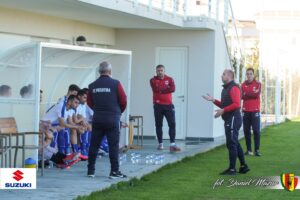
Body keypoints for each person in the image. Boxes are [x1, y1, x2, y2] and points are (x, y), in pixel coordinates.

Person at [202, 69, 250, 175]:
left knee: (231, 143)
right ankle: (243, 166)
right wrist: (213, 100)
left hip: (234, 118)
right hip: (229, 119)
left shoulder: (233, 88)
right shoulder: (226, 89)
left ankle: (232, 169)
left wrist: (223, 111)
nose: (221, 76)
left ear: (229, 76)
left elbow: (237, 104)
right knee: (234, 142)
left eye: (223, 74)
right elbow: (225, 104)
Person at [87, 61, 127, 179]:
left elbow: (89, 102)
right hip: (112, 118)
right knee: (113, 146)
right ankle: (114, 171)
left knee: (94, 145)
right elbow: (123, 100)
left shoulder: (92, 85)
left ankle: (91, 171)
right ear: (110, 71)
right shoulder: (116, 83)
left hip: (98, 118)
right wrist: (118, 112)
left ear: (99, 71)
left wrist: (97, 109)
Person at [150, 64, 180, 152]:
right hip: (158, 105)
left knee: (172, 124)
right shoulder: (152, 80)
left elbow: (173, 89)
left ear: (164, 71)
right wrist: (166, 88)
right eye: (158, 71)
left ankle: (172, 145)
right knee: (158, 125)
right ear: (156, 71)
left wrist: (162, 89)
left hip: (169, 106)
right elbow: (156, 89)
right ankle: (160, 144)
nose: (160, 72)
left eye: (161, 70)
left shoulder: (170, 79)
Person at [241, 68, 262, 156]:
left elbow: (256, 94)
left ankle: (256, 150)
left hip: (255, 111)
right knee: (246, 131)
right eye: (248, 74)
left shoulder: (258, 84)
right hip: (245, 111)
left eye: (250, 74)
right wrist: (249, 94)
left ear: (253, 75)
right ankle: (249, 150)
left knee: (256, 131)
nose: (249, 76)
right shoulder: (243, 85)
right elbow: (242, 96)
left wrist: (247, 94)